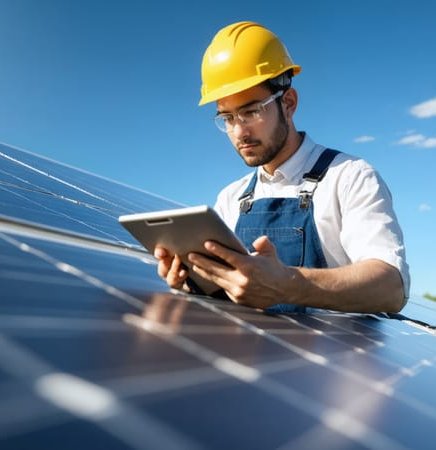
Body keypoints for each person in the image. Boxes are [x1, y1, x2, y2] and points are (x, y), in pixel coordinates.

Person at [155, 21, 409, 314]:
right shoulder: (230, 199)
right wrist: (195, 283)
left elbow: (391, 287)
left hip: (340, 357)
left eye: (251, 112)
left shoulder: (350, 176)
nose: (239, 132)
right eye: (227, 118)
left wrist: (287, 284)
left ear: (288, 103)